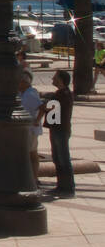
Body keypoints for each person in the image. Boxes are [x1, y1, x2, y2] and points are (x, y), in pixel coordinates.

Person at [45, 69, 74, 197]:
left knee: (63, 158)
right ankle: (61, 185)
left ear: (61, 80)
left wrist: (43, 107)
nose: (52, 79)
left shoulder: (65, 94)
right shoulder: (59, 93)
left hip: (61, 130)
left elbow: (52, 108)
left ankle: (68, 187)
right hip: (56, 129)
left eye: (55, 77)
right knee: (57, 158)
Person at [19, 69, 44, 179]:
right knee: (30, 153)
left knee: (32, 153)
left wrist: (37, 121)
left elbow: (42, 107)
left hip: (31, 129)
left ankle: (34, 178)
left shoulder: (30, 94)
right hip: (26, 129)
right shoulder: (23, 93)